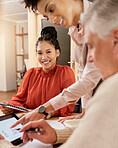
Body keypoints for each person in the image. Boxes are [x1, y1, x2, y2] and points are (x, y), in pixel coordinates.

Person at [14, 0, 118, 147]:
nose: (52, 20)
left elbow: (87, 81)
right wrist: (83, 114)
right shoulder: (75, 31)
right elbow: (84, 76)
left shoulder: (111, 89)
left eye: (51, 8)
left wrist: (43, 110)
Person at [0, 26, 75, 117]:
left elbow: (68, 105)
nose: (44, 58)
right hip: (30, 120)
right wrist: (11, 107)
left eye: (48, 52)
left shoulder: (65, 73)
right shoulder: (31, 73)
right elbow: (19, 100)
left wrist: (47, 113)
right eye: (40, 53)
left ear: (57, 52)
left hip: (54, 122)